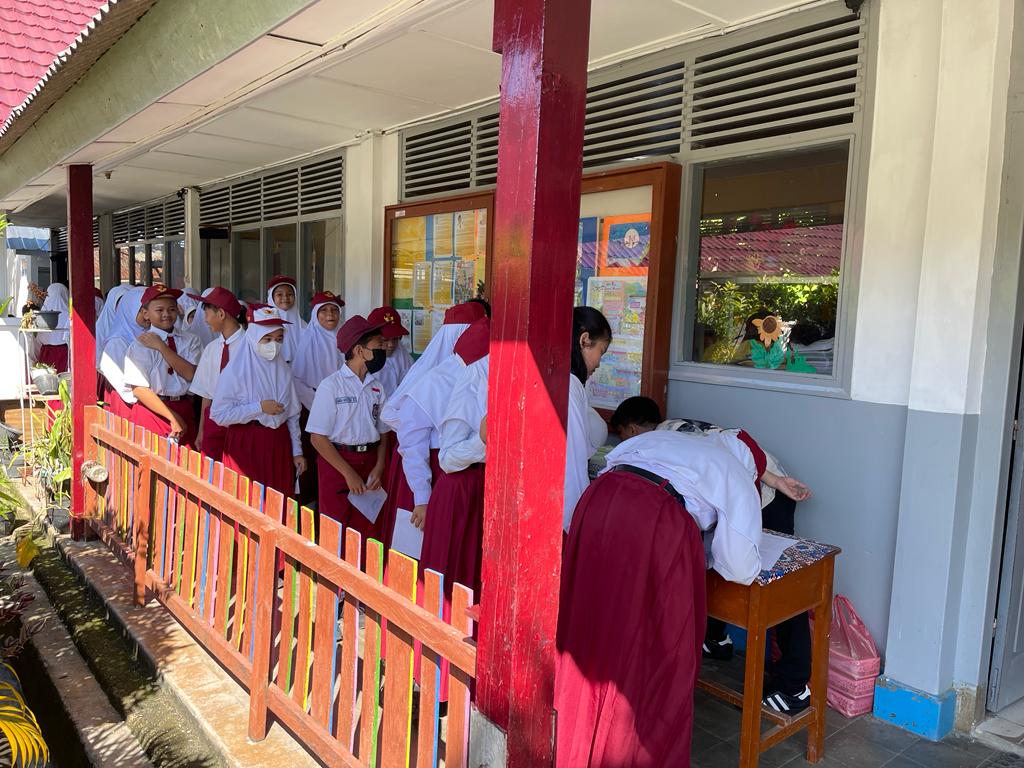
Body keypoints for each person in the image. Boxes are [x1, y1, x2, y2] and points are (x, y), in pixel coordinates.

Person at [555, 413, 809, 767]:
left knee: (592, 625)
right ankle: (626, 748)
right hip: (653, 523)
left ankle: (576, 733)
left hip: (597, 504)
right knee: (657, 646)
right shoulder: (736, 474)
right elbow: (739, 567)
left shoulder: (671, 437)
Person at [609, 396, 816, 714]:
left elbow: (739, 451)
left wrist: (775, 481)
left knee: (779, 586)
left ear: (633, 430)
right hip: (747, 485)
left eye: (622, 434)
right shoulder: (665, 438)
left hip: (768, 497)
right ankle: (717, 639)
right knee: (711, 558)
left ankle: (794, 686)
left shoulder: (662, 444)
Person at [379, 301, 487, 548]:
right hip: (426, 470)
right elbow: (411, 440)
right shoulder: (432, 381)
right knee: (418, 546)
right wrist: (422, 496)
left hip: (463, 469)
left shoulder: (477, 375)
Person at [307, 315, 389, 548]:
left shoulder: (377, 386)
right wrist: (347, 473)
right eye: (378, 345)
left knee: (369, 531)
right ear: (360, 350)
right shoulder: (331, 385)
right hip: (338, 462)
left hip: (369, 462)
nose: (383, 349)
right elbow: (317, 437)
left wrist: (379, 465)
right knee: (336, 528)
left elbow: (383, 432)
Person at [211, 305, 305, 496]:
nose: (274, 345)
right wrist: (259, 408)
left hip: (278, 443)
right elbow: (219, 415)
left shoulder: (283, 370)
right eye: (267, 339)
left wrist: (297, 451)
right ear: (254, 338)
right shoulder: (235, 371)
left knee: (277, 499)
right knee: (247, 499)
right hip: (247, 442)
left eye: (279, 339)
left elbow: (293, 414)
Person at [123, 285, 201, 446]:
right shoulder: (140, 345)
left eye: (171, 309)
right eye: (159, 310)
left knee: (187, 458)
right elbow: (139, 389)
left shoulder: (191, 340)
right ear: (146, 313)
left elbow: (191, 374)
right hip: (152, 409)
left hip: (184, 405)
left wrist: (161, 347)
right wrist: (172, 417)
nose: (166, 314)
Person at [562, 306, 612, 533]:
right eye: (601, 351)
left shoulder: (563, 380)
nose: (599, 363)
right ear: (584, 340)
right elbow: (572, 460)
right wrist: (577, 523)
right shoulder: (569, 385)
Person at [188, 288, 246, 461]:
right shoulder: (212, 349)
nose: (205, 320)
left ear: (220, 314)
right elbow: (206, 393)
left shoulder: (250, 346)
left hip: (242, 419)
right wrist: (202, 430)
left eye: (206, 313)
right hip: (214, 419)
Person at [98, 287, 147, 420]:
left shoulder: (151, 335)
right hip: (128, 400)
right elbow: (117, 377)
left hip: (147, 400)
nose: (147, 315)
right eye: (142, 310)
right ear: (130, 310)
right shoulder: (118, 340)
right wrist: (143, 397)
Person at [292, 291, 345, 410]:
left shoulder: (345, 336)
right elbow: (298, 380)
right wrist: (318, 406)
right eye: (324, 310)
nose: (330, 314)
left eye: (334, 310)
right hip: (317, 402)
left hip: (345, 401)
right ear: (316, 314)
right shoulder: (309, 339)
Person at [368, 306, 413, 398]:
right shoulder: (363, 358)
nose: (391, 344)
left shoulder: (400, 350)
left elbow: (411, 380)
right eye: (385, 340)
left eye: (395, 339)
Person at [265, 275, 306, 363]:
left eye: (290, 294)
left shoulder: (303, 325)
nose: (285, 297)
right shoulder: (265, 324)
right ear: (272, 297)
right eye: (279, 294)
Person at [36, 283, 70, 373]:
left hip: (45, 353)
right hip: (65, 354)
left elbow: (38, 340)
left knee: (46, 379)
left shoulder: (42, 315)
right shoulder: (69, 316)